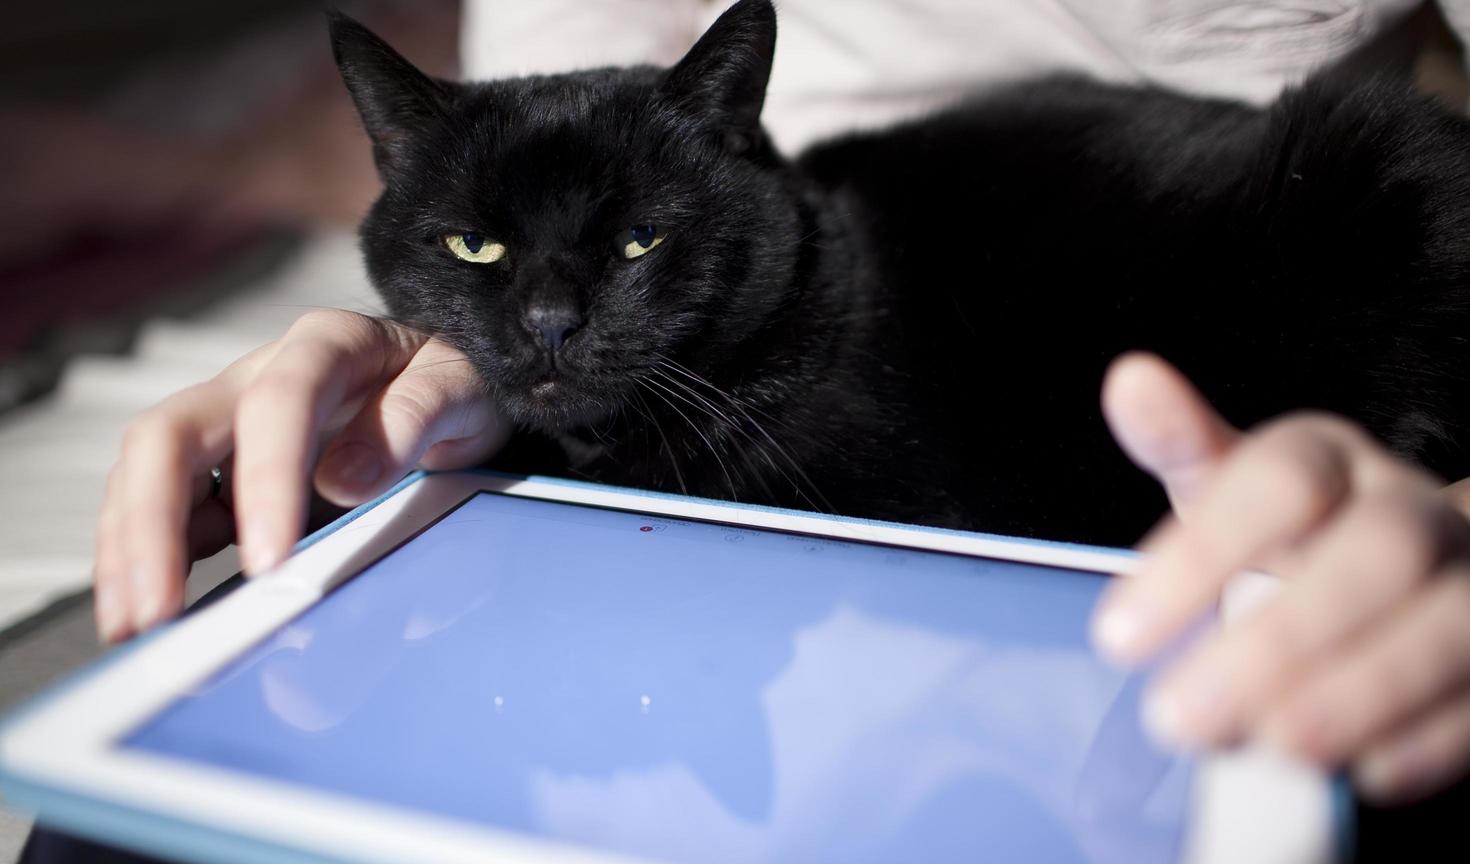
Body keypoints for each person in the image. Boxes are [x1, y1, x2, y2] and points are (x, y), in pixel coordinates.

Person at [95, 0, 1470, 806]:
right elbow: (534, 196)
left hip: (1328, 349)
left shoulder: (820, 349)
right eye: (476, 256)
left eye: (626, 255)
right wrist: (433, 375)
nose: (553, 311)